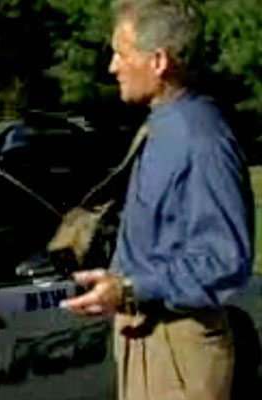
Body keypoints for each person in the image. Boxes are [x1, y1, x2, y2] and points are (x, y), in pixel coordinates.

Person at [61, 1, 254, 399]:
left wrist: (132, 287)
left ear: (159, 61)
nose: (112, 66)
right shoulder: (164, 123)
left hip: (178, 346)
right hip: (147, 336)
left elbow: (224, 259)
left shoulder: (202, 138)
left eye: (121, 53)